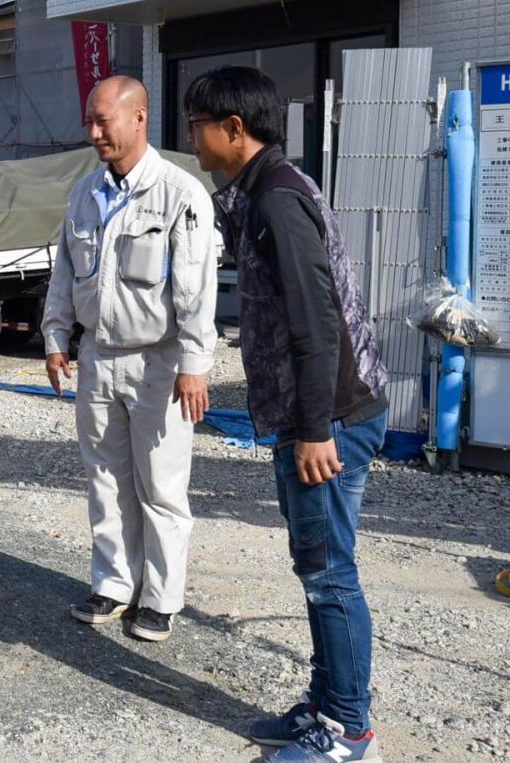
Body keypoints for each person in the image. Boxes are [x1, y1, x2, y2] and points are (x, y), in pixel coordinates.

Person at [185, 65, 388, 763]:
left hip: (329, 419)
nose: (193, 137)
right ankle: (328, 704)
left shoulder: (276, 198)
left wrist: (312, 430)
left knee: (329, 572)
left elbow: (317, 323)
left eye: (198, 125)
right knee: (321, 565)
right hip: (329, 412)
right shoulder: (264, 189)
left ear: (233, 130)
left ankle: (348, 730)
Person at [42, 76, 218, 643]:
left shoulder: (179, 194)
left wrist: (195, 363)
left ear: (139, 117)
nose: (93, 133)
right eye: (89, 122)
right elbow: (65, 273)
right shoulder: (85, 193)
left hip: (159, 363)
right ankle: (114, 583)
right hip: (98, 357)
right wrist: (54, 337)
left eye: (103, 122)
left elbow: (195, 289)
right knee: (106, 479)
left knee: (162, 486)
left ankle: (162, 598)